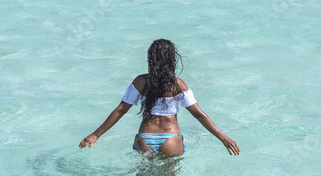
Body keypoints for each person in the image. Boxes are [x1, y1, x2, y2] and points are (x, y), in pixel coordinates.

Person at [79, 39, 240, 157]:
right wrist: (223, 137)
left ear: (151, 60)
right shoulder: (178, 84)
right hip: (171, 139)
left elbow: (121, 110)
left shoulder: (140, 82)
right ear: (171, 60)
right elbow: (199, 114)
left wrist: (95, 135)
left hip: (145, 139)